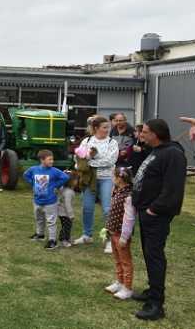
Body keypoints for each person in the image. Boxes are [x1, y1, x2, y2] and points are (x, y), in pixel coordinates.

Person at [131, 119, 187, 321]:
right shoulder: (156, 150)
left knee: (154, 255)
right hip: (145, 211)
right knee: (148, 253)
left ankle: (156, 304)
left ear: (156, 134)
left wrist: (154, 209)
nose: (141, 135)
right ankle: (152, 290)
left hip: (156, 214)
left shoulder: (173, 154)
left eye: (145, 132)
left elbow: (173, 188)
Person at [73, 116, 119, 255]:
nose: (107, 130)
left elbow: (110, 161)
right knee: (87, 208)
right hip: (89, 180)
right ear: (96, 128)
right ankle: (87, 235)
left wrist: (90, 161)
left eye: (108, 127)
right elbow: (78, 160)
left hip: (107, 179)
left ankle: (109, 240)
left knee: (107, 209)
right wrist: (84, 162)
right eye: (104, 127)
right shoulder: (86, 141)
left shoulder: (112, 142)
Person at [23, 150, 71, 250]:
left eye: (52, 159)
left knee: (51, 221)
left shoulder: (54, 171)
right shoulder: (34, 169)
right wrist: (33, 183)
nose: (52, 161)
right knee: (39, 218)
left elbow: (65, 177)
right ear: (42, 160)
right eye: (49, 159)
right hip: (37, 200)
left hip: (50, 202)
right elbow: (26, 175)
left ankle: (52, 240)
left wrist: (56, 185)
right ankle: (40, 234)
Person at [104, 167, 137, 300]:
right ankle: (120, 282)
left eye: (114, 176)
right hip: (113, 232)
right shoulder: (117, 191)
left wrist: (124, 236)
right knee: (117, 259)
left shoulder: (128, 196)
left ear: (120, 178)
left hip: (121, 234)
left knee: (125, 261)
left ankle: (127, 288)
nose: (112, 179)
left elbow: (129, 218)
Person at [57, 174, 78, 248]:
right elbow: (67, 204)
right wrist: (71, 215)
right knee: (66, 226)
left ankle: (67, 238)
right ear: (71, 182)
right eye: (75, 180)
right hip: (64, 213)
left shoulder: (63, 189)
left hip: (61, 212)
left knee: (67, 226)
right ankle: (63, 240)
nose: (77, 181)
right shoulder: (69, 192)